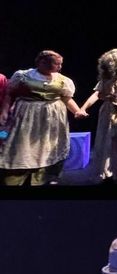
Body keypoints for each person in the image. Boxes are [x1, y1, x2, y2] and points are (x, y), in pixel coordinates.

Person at [0, 50, 87, 186]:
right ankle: (16, 177)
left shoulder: (63, 80)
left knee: (47, 145)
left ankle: (44, 176)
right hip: (27, 115)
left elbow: (67, 98)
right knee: (22, 144)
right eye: (56, 64)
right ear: (42, 62)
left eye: (60, 64)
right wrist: (4, 112)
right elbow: (10, 94)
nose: (59, 67)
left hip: (52, 118)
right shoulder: (23, 75)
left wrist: (77, 111)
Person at [78, 49, 117, 183]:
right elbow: (95, 94)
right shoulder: (105, 80)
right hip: (108, 111)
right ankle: (106, 172)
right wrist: (83, 108)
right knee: (106, 141)